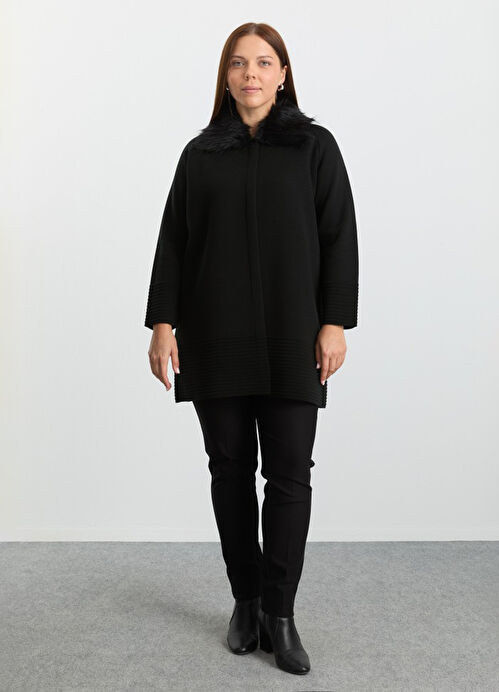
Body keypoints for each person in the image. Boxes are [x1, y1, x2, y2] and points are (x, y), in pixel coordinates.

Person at [144, 22, 359, 677]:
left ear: (283, 74)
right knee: (229, 471)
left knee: (290, 475)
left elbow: (338, 235)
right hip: (215, 334)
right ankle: (245, 600)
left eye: (264, 63)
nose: (250, 74)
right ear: (226, 76)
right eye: (238, 64)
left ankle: (280, 612)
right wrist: (161, 324)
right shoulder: (200, 154)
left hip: (294, 335)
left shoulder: (314, 146)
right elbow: (174, 241)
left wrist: (334, 323)